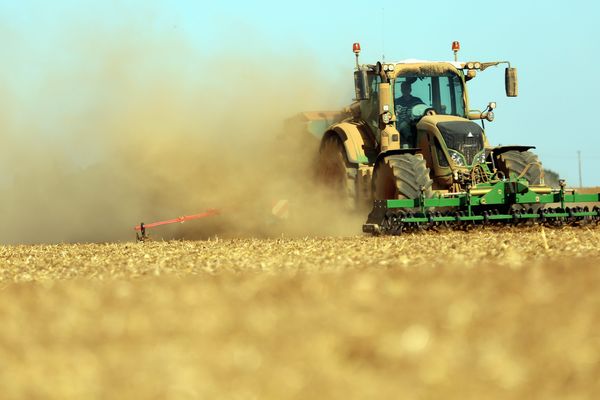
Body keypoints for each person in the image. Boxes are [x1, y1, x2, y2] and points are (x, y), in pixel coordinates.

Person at [395, 81, 424, 147]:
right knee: (404, 126)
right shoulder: (397, 101)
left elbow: (424, 109)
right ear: (401, 90)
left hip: (416, 122)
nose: (405, 90)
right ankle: (411, 143)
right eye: (403, 88)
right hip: (401, 124)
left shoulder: (417, 100)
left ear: (410, 89)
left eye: (407, 88)